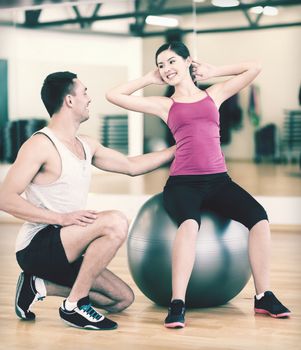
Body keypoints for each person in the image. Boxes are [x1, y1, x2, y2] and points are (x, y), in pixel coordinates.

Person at [105, 41, 291, 328]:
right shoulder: (165, 104)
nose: (166, 69)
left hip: (219, 181)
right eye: (161, 65)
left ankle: (263, 296)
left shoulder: (214, 94)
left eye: (171, 62)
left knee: (260, 219)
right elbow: (113, 95)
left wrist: (216, 70)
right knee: (190, 225)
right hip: (183, 184)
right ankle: (177, 302)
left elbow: (255, 66)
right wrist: (147, 79)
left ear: (187, 61)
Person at [0, 71, 175, 330]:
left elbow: (130, 165)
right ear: (69, 100)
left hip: (68, 245)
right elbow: (5, 198)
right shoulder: (40, 144)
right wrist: (60, 218)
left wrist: (179, 148)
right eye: (84, 92)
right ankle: (74, 306)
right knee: (115, 221)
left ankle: (37, 285)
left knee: (120, 299)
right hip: (38, 247)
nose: (89, 98)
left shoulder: (86, 144)